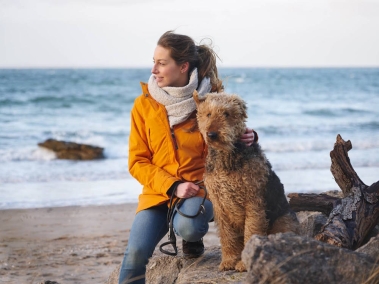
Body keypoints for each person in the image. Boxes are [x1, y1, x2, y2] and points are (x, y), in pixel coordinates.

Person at [118, 30, 258, 284]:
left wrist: (249, 138)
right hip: (158, 193)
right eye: (154, 62)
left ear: (183, 66)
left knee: (189, 227)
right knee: (135, 253)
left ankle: (193, 238)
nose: (154, 70)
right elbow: (137, 162)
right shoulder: (143, 105)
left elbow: (233, 130)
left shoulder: (209, 101)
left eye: (162, 63)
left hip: (201, 189)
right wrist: (173, 185)